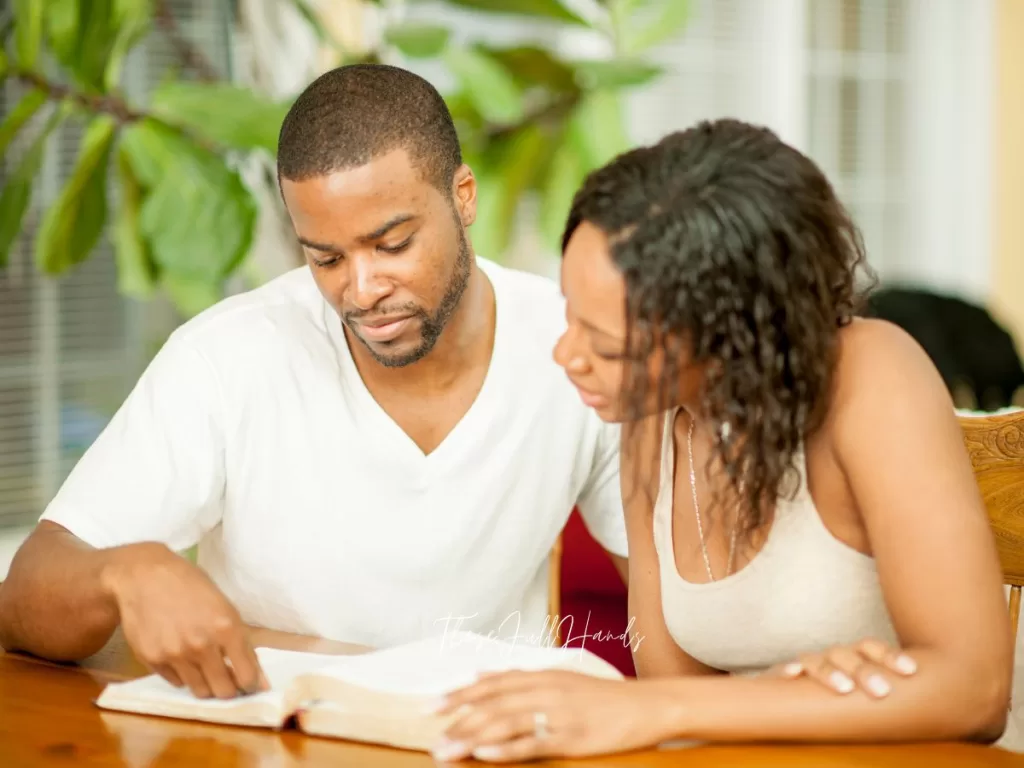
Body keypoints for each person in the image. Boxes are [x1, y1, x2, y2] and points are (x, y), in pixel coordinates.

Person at [0, 64, 629, 700]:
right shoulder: (226, 357)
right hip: (277, 738)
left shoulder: (577, 347)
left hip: (488, 735)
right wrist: (122, 572)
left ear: (463, 195)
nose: (360, 291)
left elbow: (675, 615)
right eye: (325, 258)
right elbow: (22, 598)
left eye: (392, 244)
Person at [432, 119, 1014, 762]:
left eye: (607, 344)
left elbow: (974, 691)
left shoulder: (871, 377)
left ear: (731, 337)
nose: (566, 354)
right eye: (571, 314)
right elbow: (677, 698)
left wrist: (660, 708)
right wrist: (778, 697)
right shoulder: (652, 415)